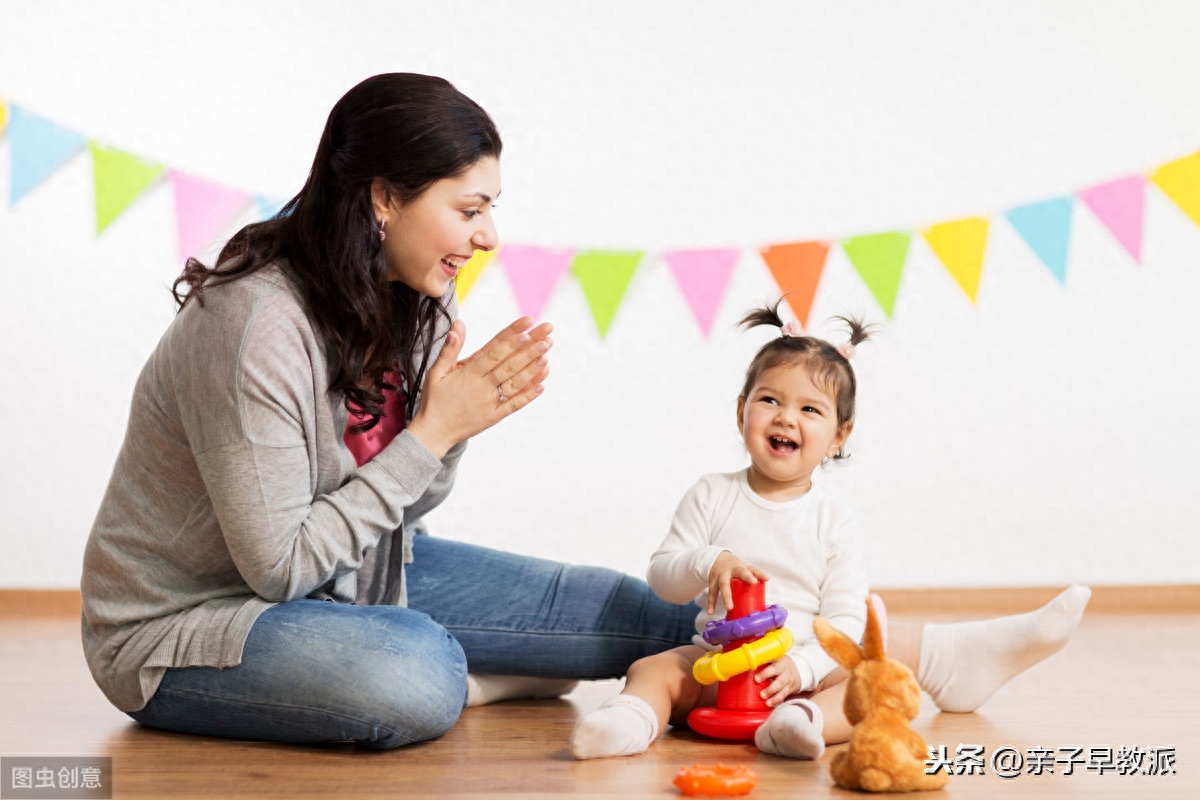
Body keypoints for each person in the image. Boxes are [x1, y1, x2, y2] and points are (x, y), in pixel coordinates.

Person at [79, 72, 699, 750]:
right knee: (417, 670)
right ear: (384, 199)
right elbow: (279, 568)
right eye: (469, 210)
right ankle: (474, 668)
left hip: (357, 576)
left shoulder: (422, 299)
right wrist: (435, 431)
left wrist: (452, 426)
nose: (489, 235)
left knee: (652, 618)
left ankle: (791, 679)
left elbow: (407, 508)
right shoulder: (253, 326)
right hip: (188, 622)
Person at [570, 302, 1091, 760]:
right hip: (715, 670)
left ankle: (802, 726)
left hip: (797, 681)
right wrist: (710, 561)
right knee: (655, 669)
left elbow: (845, 622)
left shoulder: (833, 521)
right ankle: (628, 722)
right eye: (770, 400)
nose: (786, 418)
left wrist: (802, 669)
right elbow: (663, 576)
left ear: (839, 436)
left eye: (810, 409)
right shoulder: (711, 493)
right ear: (741, 411)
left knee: (868, 684)